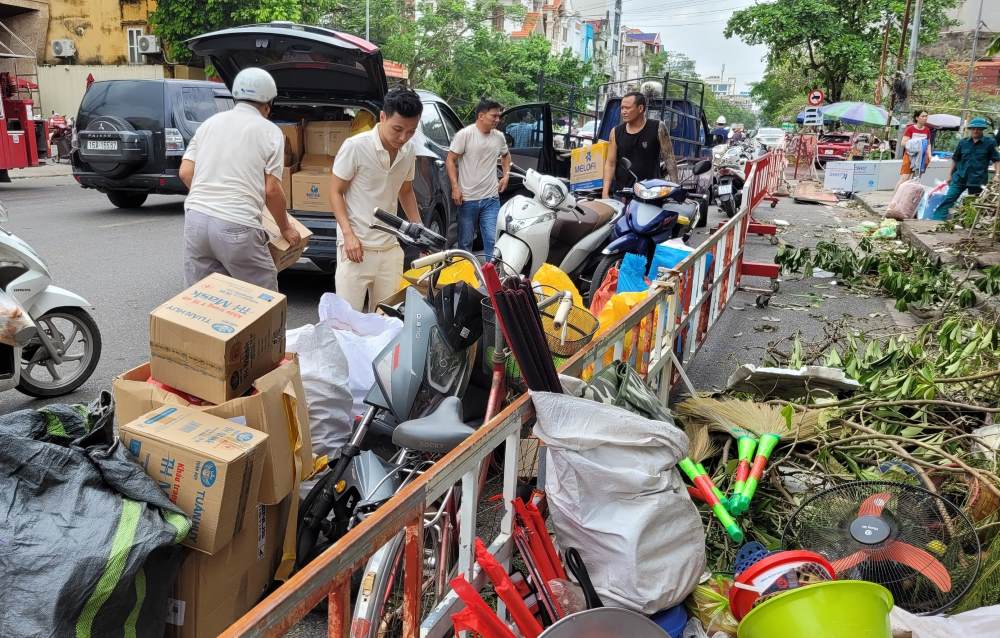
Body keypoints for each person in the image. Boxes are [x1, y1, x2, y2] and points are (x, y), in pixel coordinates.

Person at [179, 67, 301, 291]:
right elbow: (272, 190)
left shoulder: (209, 124)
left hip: (196, 219)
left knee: (205, 298)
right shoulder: (270, 131)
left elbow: (185, 173)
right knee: (262, 299)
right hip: (236, 224)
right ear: (267, 104)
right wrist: (285, 228)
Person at [330, 88, 425, 312]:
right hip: (356, 248)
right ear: (383, 117)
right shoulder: (355, 146)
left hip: (390, 248)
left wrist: (420, 230)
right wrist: (348, 235)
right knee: (347, 320)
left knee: (386, 322)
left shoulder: (408, 150)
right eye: (397, 129)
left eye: (411, 132)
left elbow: (406, 190)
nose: (403, 138)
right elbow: (335, 191)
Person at [446, 98, 511, 258]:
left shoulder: (499, 137)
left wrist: (506, 175)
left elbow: (506, 155)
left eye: (499, 116)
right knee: (465, 242)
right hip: (467, 199)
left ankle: (491, 280)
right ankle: (464, 280)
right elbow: (450, 159)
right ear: (481, 116)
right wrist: (455, 187)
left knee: (491, 240)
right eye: (494, 116)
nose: (498, 119)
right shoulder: (465, 135)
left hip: (491, 199)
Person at [601, 91, 679, 199]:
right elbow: (610, 163)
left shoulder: (658, 127)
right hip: (623, 193)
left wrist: (676, 188)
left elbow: (669, 159)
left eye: (627, 108)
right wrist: (605, 193)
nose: (623, 111)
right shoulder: (615, 132)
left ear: (640, 108)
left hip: (651, 193)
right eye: (622, 108)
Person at [931, 117, 1000, 219]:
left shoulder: (990, 143)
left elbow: (997, 160)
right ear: (970, 129)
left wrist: (997, 175)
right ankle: (936, 221)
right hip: (960, 177)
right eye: (974, 128)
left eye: (978, 129)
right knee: (948, 198)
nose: (976, 131)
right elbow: (955, 159)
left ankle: (969, 223)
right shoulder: (963, 142)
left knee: (974, 204)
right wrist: (950, 175)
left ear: (982, 130)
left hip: (978, 179)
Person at [896, 110, 933, 188]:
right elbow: (903, 143)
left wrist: (929, 155)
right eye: (923, 116)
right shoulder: (910, 129)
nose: (925, 118)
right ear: (917, 118)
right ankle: (894, 199)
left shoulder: (927, 130)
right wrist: (917, 143)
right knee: (905, 178)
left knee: (915, 179)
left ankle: (907, 198)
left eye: (926, 116)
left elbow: (928, 144)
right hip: (909, 156)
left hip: (921, 157)